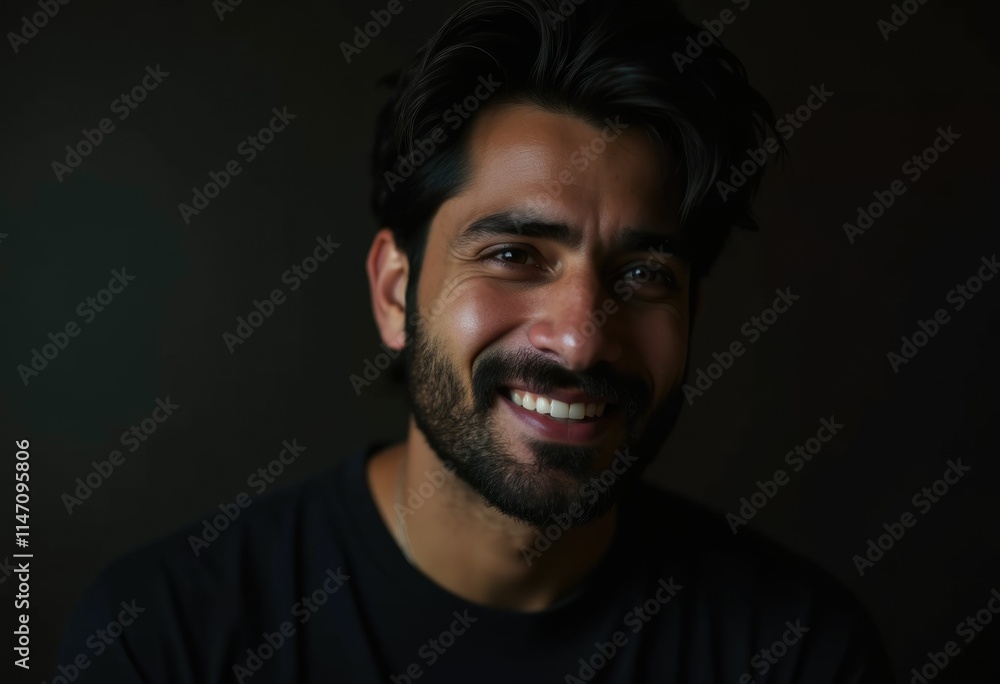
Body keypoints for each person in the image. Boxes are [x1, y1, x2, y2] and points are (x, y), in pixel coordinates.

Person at [54, 0, 894, 681]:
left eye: (643, 276)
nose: (579, 341)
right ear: (395, 290)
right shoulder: (163, 638)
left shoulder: (798, 653)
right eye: (513, 255)